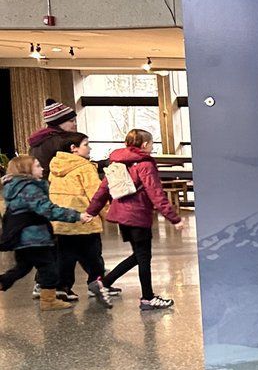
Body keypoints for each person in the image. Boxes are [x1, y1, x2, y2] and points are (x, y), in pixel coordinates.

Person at [84, 128, 187, 310]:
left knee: (139, 256)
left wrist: (91, 211)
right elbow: (156, 193)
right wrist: (174, 218)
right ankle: (146, 298)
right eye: (152, 144)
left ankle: (104, 283)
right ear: (145, 145)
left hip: (122, 217)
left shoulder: (116, 162)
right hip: (138, 216)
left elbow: (103, 190)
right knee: (143, 257)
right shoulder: (145, 164)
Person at [1, 153, 90, 310]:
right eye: (37, 165)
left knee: (22, 267)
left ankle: (2, 282)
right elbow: (47, 209)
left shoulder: (14, 187)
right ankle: (48, 301)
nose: (42, 168)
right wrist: (76, 215)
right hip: (35, 237)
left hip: (23, 237)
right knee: (49, 268)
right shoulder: (29, 188)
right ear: (26, 169)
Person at [48, 132, 115, 307]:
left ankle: (63, 287)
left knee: (65, 256)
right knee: (93, 255)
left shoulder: (55, 166)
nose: (90, 147)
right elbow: (96, 194)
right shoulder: (85, 167)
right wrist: (109, 214)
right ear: (74, 148)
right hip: (84, 219)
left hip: (61, 220)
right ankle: (99, 283)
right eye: (86, 144)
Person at [26, 99, 79, 179]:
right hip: (55, 185)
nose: (75, 124)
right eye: (71, 121)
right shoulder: (60, 140)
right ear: (58, 122)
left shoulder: (40, 139)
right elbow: (76, 166)